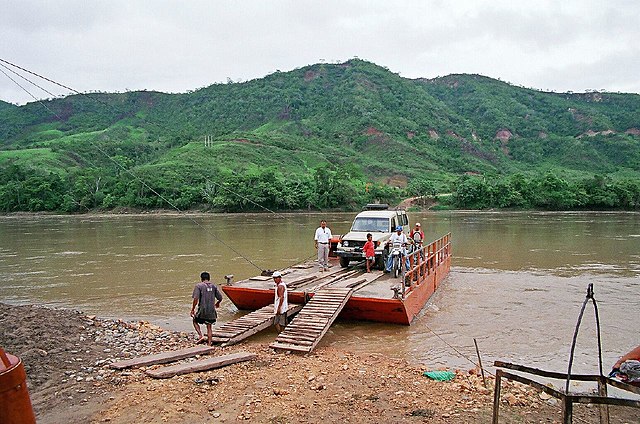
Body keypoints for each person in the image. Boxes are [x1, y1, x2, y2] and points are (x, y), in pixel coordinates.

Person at [190, 271, 222, 346]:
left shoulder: (199, 286)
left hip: (202, 310)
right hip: (211, 311)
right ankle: (209, 344)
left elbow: (196, 298)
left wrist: (192, 309)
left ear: (201, 278)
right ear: (209, 278)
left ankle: (200, 335)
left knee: (195, 321)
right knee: (209, 327)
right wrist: (217, 303)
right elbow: (220, 298)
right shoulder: (213, 286)